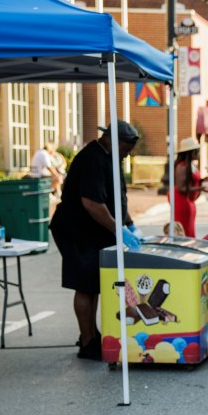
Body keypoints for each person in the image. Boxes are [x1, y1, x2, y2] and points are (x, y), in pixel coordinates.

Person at [49, 121, 143, 360]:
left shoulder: (110, 157)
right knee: (85, 285)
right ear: (112, 140)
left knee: (93, 284)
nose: (127, 154)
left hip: (93, 232)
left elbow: (116, 197)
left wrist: (129, 223)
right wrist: (118, 230)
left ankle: (90, 335)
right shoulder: (93, 159)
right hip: (77, 230)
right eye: (126, 149)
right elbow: (92, 203)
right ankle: (88, 341)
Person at [171, 136, 201, 238]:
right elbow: (181, 188)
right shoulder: (182, 166)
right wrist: (200, 188)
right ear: (189, 152)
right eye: (196, 151)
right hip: (182, 201)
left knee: (189, 229)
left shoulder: (190, 165)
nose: (198, 153)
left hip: (189, 201)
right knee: (184, 230)